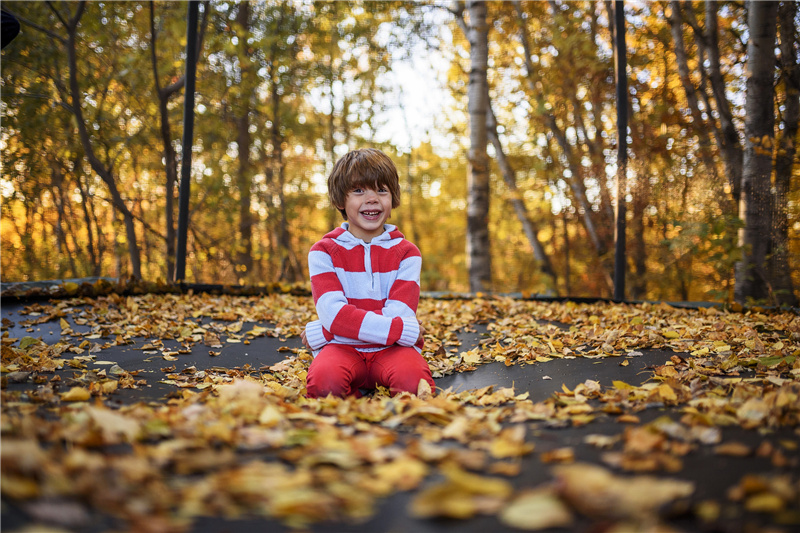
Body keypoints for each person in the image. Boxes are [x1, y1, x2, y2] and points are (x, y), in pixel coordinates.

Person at [301, 148, 435, 398]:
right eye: (359, 190)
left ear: (393, 199)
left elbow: (399, 313)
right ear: (341, 200)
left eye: (382, 190)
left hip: (391, 350)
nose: (372, 199)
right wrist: (403, 330)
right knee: (325, 385)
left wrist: (326, 330)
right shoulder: (323, 252)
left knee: (414, 386)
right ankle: (353, 418)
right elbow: (335, 314)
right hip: (341, 348)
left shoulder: (407, 253)